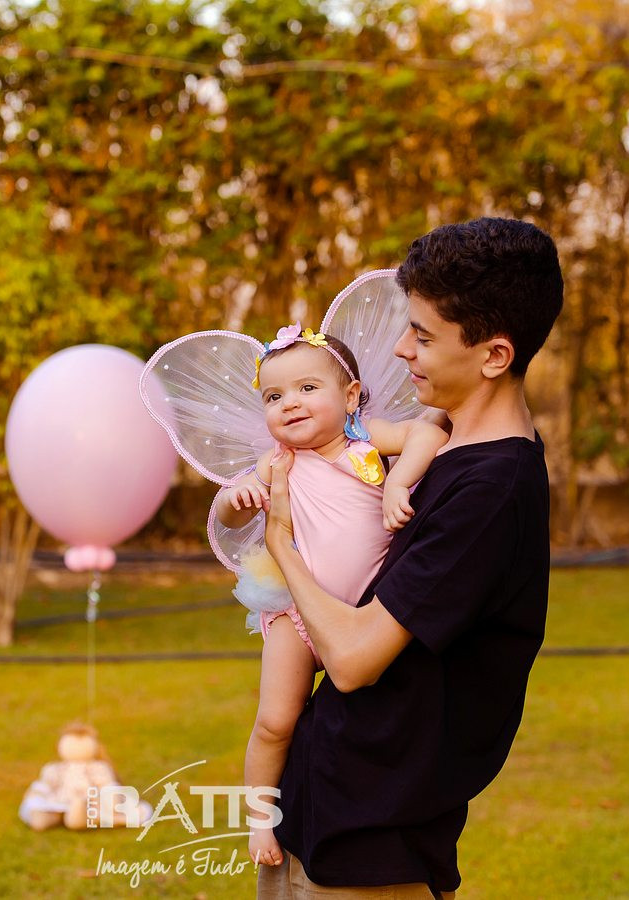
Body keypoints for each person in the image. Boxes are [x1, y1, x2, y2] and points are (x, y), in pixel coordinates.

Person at [258, 217, 564, 899]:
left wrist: (281, 544)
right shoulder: (450, 444)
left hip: (371, 849)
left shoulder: (488, 493)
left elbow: (352, 658)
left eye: (422, 336)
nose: (400, 349)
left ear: (494, 355)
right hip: (321, 808)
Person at [212, 327, 447, 867]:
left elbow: (427, 436)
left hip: (366, 617)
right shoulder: (278, 463)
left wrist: (396, 483)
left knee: (375, 723)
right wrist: (237, 497)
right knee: (275, 721)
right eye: (274, 396)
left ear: (350, 396)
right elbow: (225, 510)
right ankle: (259, 820)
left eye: (307, 388)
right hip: (298, 615)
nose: (290, 404)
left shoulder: (367, 442)